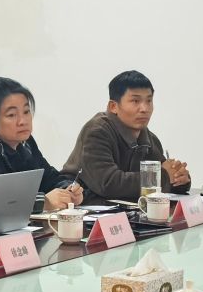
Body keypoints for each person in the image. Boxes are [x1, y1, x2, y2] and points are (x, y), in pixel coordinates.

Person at [0, 77, 85, 217]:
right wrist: (43, 202)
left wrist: (69, 190)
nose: (22, 121)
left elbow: (47, 177)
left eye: (26, 111)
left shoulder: (24, 141)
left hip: (15, 224)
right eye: (11, 115)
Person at [63, 69, 191, 201]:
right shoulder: (97, 131)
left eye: (149, 101)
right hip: (80, 205)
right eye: (135, 101)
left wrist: (179, 179)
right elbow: (109, 183)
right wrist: (163, 177)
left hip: (123, 208)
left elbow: (164, 176)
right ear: (113, 106)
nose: (144, 109)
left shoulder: (148, 137)